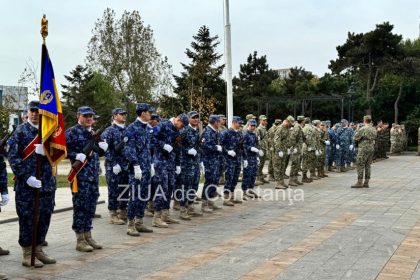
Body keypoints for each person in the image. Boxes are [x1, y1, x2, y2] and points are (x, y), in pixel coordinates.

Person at [8, 101, 56, 267]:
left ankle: (39, 248)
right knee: (28, 218)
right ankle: (28, 252)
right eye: (32, 111)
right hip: (27, 186)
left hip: (46, 183)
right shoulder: (19, 132)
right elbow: (13, 158)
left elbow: (58, 152)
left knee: (44, 217)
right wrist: (26, 177)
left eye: (38, 111)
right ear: (27, 112)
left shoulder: (48, 131)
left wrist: (48, 152)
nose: (35, 114)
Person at [66, 106, 108, 251]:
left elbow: (99, 153)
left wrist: (103, 147)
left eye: (91, 116)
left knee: (91, 207)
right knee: (80, 207)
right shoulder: (71, 132)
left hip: (93, 176)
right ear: (79, 116)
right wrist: (74, 155)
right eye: (86, 116)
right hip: (80, 176)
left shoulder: (94, 134)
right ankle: (80, 239)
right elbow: (60, 150)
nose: (89, 118)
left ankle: (88, 235)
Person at [123, 103, 156, 234]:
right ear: (142, 113)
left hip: (147, 167)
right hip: (137, 169)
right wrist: (136, 165)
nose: (151, 114)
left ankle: (139, 222)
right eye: (149, 112)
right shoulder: (132, 128)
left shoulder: (147, 128)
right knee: (135, 195)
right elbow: (129, 149)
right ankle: (130, 224)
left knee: (144, 195)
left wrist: (152, 164)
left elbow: (148, 149)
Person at [152, 113, 188, 225]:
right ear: (177, 119)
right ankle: (156, 217)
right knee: (162, 188)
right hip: (161, 161)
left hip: (171, 163)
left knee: (170, 188)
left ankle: (165, 215)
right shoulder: (162, 125)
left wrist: (178, 164)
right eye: (182, 124)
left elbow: (178, 148)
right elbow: (150, 136)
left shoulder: (177, 130)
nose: (182, 127)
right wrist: (162, 145)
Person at [101, 108, 129, 226]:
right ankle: (113, 214)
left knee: (124, 189)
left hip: (126, 164)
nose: (123, 116)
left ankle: (123, 211)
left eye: (124, 114)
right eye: (120, 114)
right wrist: (113, 163)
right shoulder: (109, 131)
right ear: (114, 116)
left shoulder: (127, 130)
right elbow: (106, 149)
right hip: (114, 166)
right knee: (114, 190)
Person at [178, 111, 203, 219]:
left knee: (195, 184)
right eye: (193, 118)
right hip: (186, 163)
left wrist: (200, 161)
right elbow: (177, 144)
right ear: (188, 119)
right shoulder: (184, 130)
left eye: (197, 118)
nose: (196, 120)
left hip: (195, 162)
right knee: (185, 186)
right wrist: (187, 150)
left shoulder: (196, 131)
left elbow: (198, 147)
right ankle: (183, 209)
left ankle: (191, 206)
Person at [200, 115, 223, 212]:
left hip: (215, 159)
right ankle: (204, 203)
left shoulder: (215, 131)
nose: (220, 123)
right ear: (215, 122)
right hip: (209, 160)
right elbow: (204, 145)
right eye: (219, 121)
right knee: (209, 181)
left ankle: (211, 201)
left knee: (215, 180)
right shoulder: (207, 132)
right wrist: (215, 147)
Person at [220, 116, 244, 206]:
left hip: (237, 159)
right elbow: (220, 146)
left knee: (235, 178)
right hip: (229, 160)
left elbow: (242, 146)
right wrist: (227, 151)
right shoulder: (226, 133)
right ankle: (226, 198)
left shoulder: (240, 133)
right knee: (229, 178)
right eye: (239, 123)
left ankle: (232, 196)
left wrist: (244, 158)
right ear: (234, 122)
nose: (240, 125)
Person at [351, 115, 377, 188]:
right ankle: (366, 182)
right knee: (368, 166)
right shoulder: (373, 129)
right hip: (371, 148)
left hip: (363, 148)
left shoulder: (363, 128)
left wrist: (357, 130)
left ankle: (359, 182)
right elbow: (375, 137)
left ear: (364, 120)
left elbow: (355, 138)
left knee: (360, 164)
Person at [242, 119, 262, 198]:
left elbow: (256, 145)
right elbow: (242, 146)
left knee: (253, 174)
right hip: (247, 157)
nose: (253, 127)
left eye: (254, 126)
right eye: (251, 125)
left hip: (253, 157)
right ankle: (244, 191)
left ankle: (251, 189)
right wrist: (250, 148)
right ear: (248, 125)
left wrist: (257, 156)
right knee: (247, 174)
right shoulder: (245, 134)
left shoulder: (254, 134)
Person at [273, 116, 293, 189]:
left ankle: (281, 182)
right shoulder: (280, 128)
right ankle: (278, 183)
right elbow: (276, 140)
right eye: (290, 123)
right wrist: (279, 150)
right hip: (279, 151)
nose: (291, 125)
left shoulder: (286, 128)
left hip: (284, 150)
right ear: (287, 121)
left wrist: (288, 148)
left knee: (282, 167)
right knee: (278, 167)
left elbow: (287, 140)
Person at [288, 116, 305, 186]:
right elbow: (292, 137)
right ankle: (291, 180)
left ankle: (295, 179)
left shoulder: (299, 127)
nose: (304, 121)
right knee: (294, 164)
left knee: (297, 164)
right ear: (302, 121)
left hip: (298, 148)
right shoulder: (297, 127)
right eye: (304, 120)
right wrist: (293, 147)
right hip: (296, 149)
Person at [255, 115, 269, 185]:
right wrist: (259, 149)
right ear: (260, 121)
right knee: (259, 164)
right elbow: (258, 140)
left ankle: (260, 177)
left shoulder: (264, 128)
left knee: (262, 163)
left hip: (264, 148)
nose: (265, 121)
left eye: (265, 120)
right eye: (263, 120)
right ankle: (257, 178)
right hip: (261, 148)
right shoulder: (259, 129)